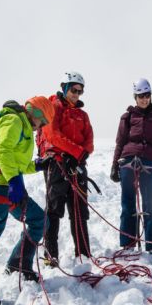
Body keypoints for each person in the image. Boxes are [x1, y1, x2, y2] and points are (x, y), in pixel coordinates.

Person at [0, 96, 51, 303]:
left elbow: (18, 163)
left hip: (11, 185)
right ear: (35, 113)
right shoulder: (14, 121)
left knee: (39, 220)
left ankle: (19, 264)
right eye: (42, 122)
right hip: (1, 184)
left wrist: (37, 165)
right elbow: (2, 150)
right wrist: (14, 180)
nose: (40, 127)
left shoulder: (24, 129)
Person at [38, 71, 94, 263]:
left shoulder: (82, 114)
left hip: (76, 166)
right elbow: (52, 135)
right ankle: (50, 254)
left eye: (80, 91)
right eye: (73, 90)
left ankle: (84, 254)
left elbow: (89, 140)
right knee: (54, 209)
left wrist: (80, 155)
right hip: (57, 164)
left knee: (79, 210)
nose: (76, 94)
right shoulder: (53, 107)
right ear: (64, 87)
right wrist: (75, 153)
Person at [110, 78, 152, 252]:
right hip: (128, 162)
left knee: (150, 204)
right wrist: (114, 165)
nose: (144, 99)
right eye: (140, 96)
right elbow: (120, 142)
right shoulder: (127, 117)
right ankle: (128, 244)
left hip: (150, 162)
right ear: (135, 97)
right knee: (128, 203)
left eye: (147, 95)